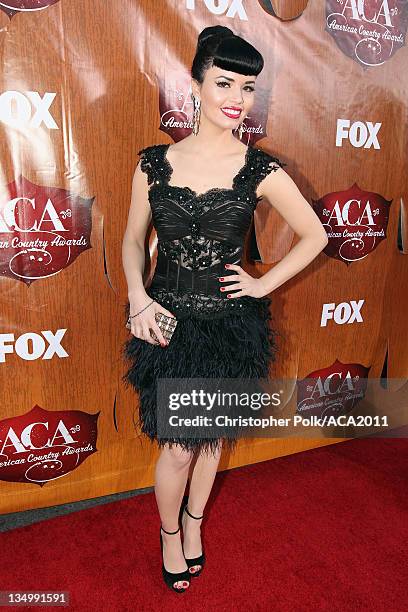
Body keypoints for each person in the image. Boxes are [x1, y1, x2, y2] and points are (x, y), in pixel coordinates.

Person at [121, 25, 328, 593]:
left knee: (211, 440)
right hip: (166, 323)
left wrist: (262, 287)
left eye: (248, 88)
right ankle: (169, 531)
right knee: (178, 448)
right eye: (224, 83)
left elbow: (315, 236)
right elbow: (133, 239)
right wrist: (138, 296)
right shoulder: (152, 164)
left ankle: (193, 523)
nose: (237, 99)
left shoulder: (260, 169)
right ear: (195, 86)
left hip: (231, 326)